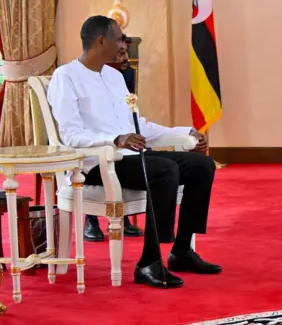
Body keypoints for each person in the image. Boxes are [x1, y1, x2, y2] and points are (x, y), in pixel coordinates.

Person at [48, 15, 221, 288]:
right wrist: (116, 139)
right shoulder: (66, 77)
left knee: (202, 166)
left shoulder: (115, 77)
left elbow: (140, 127)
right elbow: (70, 135)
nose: (123, 44)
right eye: (119, 39)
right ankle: (149, 262)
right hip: (96, 165)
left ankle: (181, 251)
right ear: (101, 40)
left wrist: (185, 132)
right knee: (165, 170)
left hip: (130, 158)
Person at [83, 35, 144, 242]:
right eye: (121, 53)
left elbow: (127, 113)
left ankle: (122, 215)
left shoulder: (126, 74)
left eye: (126, 52)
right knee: (98, 159)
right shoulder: (83, 76)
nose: (125, 58)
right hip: (88, 143)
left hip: (118, 139)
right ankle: (91, 219)